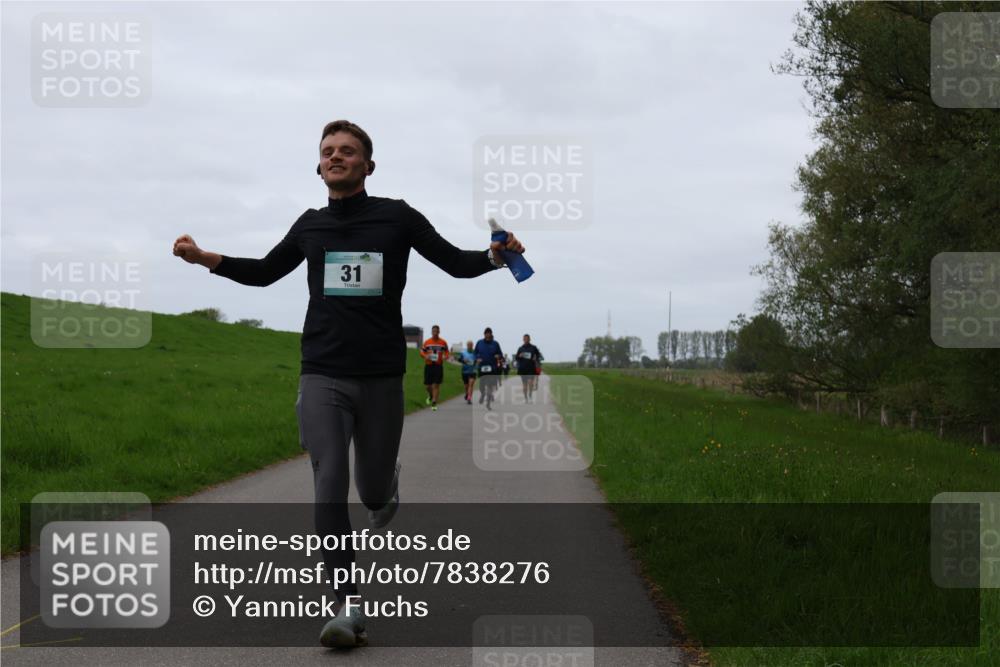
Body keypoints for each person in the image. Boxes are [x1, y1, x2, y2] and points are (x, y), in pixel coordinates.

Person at [172, 120, 526, 649]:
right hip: (322, 371)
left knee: (372, 490)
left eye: (347, 150)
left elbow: (456, 264)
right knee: (329, 479)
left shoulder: (397, 217)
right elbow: (265, 272)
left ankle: (386, 487)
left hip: (381, 375)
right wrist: (206, 259)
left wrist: (496, 256)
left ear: (368, 165)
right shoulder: (310, 225)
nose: (336, 156)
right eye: (327, 151)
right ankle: (346, 605)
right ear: (319, 167)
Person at [420, 325, 449, 411]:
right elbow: (421, 351)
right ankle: (431, 395)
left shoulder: (443, 342)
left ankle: (434, 402)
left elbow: (447, 352)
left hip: (438, 366)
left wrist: (445, 356)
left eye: (436, 331)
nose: (435, 333)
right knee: (428, 386)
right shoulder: (427, 342)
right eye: (433, 331)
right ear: (431, 332)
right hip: (429, 366)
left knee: (436, 385)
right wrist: (425, 356)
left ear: (439, 332)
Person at [474, 327, 503, 410]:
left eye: (489, 333)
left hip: (492, 368)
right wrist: (477, 358)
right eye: (486, 333)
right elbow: (475, 353)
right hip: (482, 367)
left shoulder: (495, 344)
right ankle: (483, 394)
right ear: (484, 334)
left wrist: (498, 356)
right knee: (481, 386)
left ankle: (488, 404)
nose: (487, 335)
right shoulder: (479, 343)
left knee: (490, 386)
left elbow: (500, 354)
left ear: (491, 334)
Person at [515, 334, 544, 402]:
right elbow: (516, 358)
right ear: (523, 339)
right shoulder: (520, 348)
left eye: (527, 339)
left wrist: (535, 358)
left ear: (529, 339)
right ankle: (526, 398)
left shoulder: (533, 347)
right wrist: (519, 356)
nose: (526, 340)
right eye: (524, 339)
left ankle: (530, 395)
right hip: (523, 368)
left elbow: (538, 355)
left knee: (530, 383)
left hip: (531, 368)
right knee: (525, 385)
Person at [458, 340, 477, 404]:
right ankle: (467, 393)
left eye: (471, 345)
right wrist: (463, 360)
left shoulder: (475, 353)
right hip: (465, 371)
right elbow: (459, 359)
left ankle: (469, 398)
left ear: (472, 345)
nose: (470, 346)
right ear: (467, 345)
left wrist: (476, 362)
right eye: (469, 345)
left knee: (471, 384)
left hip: (473, 371)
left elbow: (478, 360)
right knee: (466, 386)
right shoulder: (463, 353)